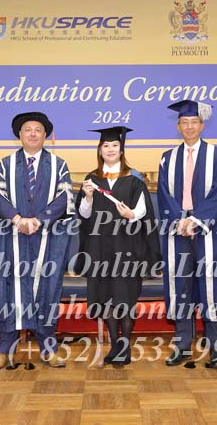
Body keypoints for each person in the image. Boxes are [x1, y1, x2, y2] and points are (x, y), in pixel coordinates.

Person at [0, 112, 73, 369]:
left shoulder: (58, 164)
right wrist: (17, 219)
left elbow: (64, 198)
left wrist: (38, 220)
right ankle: (5, 349)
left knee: (46, 288)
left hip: (46, 238)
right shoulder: (6, 164)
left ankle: (48, 348)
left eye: (38, 130)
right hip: (12, 238)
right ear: (19, 135)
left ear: (45, 135)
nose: (33, 133)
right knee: (9, 290)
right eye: (28, 129)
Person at [76, 126, 161, 366]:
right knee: (106, 299)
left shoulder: (134, 179)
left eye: (115, 145)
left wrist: (131, 214)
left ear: (121, 149)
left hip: (127, 247)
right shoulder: (92, 180)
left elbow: (144, 211)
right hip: (100, 249)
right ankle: (116, 345)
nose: (110, 149)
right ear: (99, 150)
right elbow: (83, 214)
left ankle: (124, 346)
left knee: (125, 298)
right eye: (106, 146)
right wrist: (88, 197)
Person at [158, 100, 217, 369]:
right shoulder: (167, 158)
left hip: (209, 229)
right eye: (184, 122)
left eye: (194, 122)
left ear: (202, 125)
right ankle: (181, 346)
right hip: (177, 228)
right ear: (178, 126)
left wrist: (196, 220)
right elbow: (163, 193)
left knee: (212, 286)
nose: (189, 127)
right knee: (180, 286)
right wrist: (180, 221)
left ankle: (216, 350)